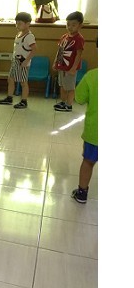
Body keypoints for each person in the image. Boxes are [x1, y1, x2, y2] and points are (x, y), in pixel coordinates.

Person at [0, 12, 37, 109]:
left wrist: (26, 61)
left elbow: (34, 50)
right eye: (16, 23)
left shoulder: (29, 36)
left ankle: (24, 101)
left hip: (23, 62)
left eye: (20, 23)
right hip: (15, 60)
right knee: (10, 79)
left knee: (23, 82)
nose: (17, 25)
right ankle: (9, 98)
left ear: (27, 24)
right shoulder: (19, 34)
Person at [72, 68, 98, 203]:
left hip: (95, 131)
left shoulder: (92, 75)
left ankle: (82, 193)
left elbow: (79, 98)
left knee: (88, 162)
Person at [53, 11, 85, 112]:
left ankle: (69, 105)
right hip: (61, 66)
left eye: (73, 25)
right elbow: (59, 51)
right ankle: (63, 102)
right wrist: (55, 62)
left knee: (70, 88)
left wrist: (73, 68)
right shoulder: (64, 37)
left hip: (70, 68)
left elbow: (79, 55)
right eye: (68, 24)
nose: (70, 27)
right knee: (62, 85)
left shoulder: (79, 39)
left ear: (80, 25)